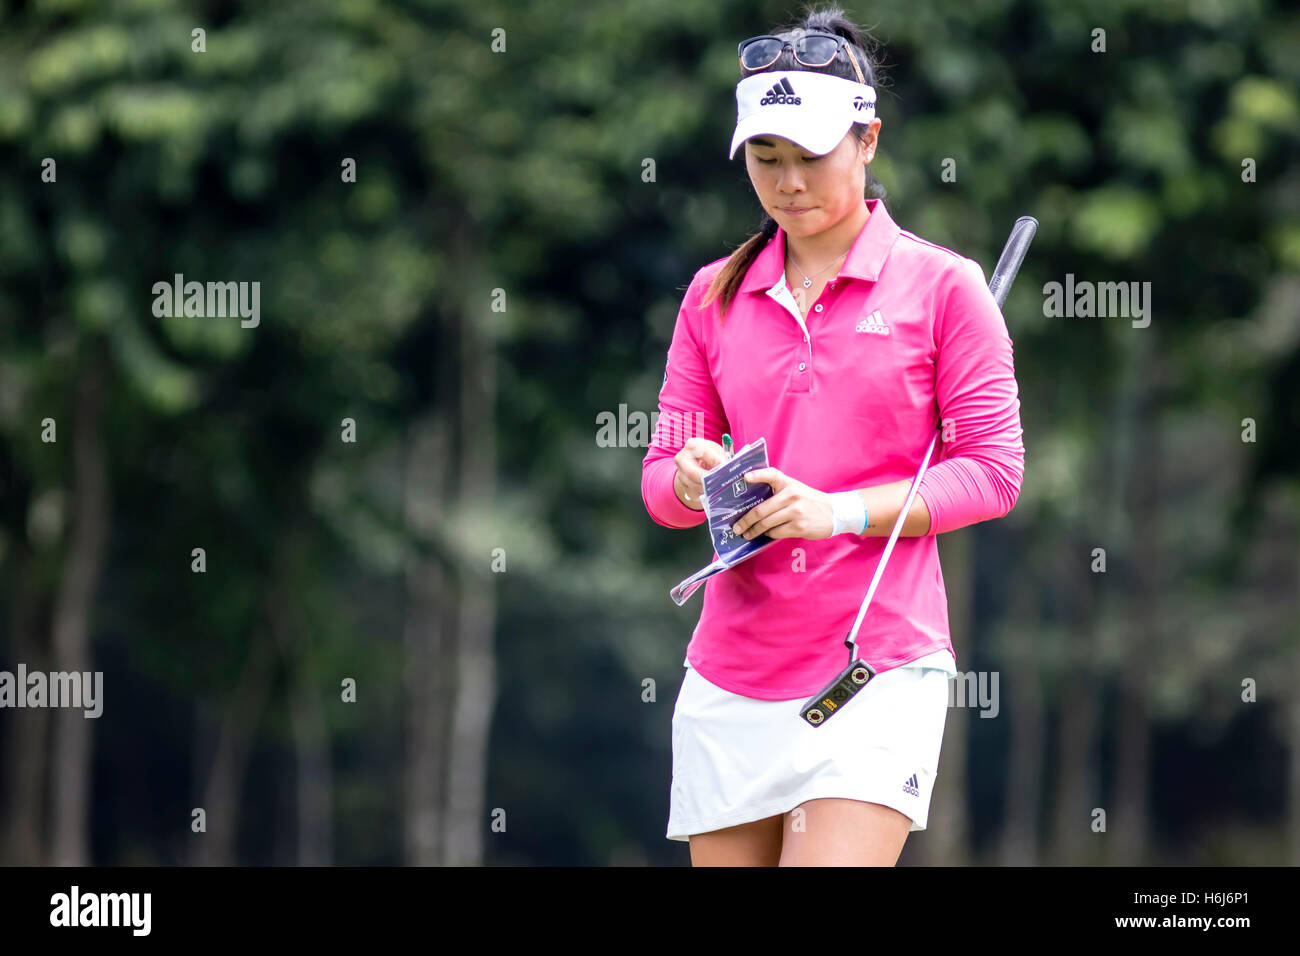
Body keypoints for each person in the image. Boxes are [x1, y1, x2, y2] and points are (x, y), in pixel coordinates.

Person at [640, 5, 1026, 866]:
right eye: (764, 159)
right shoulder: (714, 295)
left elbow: (994, 475)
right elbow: (661, 482)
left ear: (868, 140)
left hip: (874, 665)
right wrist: (692, 479)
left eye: (811, 157)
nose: (788, 184)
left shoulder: (943, 289)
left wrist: (840, 512)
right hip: (731, 674)